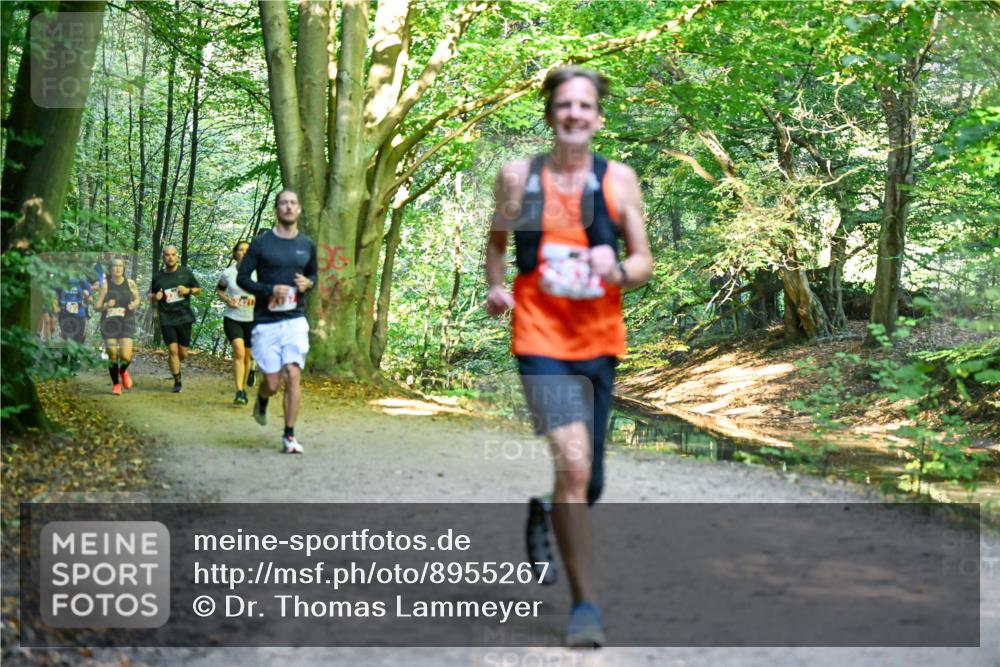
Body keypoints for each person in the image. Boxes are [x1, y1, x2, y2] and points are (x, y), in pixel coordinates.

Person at [485, 67, 652, 648]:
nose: (575, 113)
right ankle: (585, 605)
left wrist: (620, 272)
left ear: (598, 117)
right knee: (575, 465)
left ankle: (542, 510)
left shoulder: (619, 181)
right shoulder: (517, 178)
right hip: (539, 342)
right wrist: (494, 287)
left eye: (585, 105)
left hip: (598, 343)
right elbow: (497, 245)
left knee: (588, 480)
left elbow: (643, 262)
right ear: (551, 112)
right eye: (564, 104)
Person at [237, 190, 318, 454]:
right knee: (272, 383)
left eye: (293, 203)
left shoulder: (307, 245)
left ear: (299, 209)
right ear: (277, 209)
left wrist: (310, 283)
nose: (288, 207)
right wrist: (269, 290)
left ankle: (289, 436)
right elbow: (242, 279)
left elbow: (313, 274)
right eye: (283, 203)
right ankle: (261, 399)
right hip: (266, 322)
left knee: (293, 374)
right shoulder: (261, 243)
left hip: (295, 319)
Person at [148, 245, 201, 392]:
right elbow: (149, 295)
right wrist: (155, 297)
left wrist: (187, 290)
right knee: (172, 350)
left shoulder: (185, 273)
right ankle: (177, 380)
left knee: (182, 353)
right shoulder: (158, 277)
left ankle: (174, 362)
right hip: (166, 318)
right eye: (167, 255)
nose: (170, 257)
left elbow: (198, 290)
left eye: (173, 255)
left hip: (184, 317)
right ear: (163, 257)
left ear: (177, 256)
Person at [217, 240, 256, 405]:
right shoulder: (228, 273)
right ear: (235, 254)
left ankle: (244, 389)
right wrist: (227, 299)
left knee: (247, 357)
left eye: (247, 250)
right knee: (239, 353)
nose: (244, 253)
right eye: (241, 250)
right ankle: (239, 391)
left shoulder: (258, 272)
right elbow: (219, 290)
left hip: (253, 320)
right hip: (233, 318)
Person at [94, 257, 141, 395]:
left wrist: (135, 304)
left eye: (120, 266)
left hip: (126, 321)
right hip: (109, 323)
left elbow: (137, 298)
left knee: (126, 356)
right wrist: (105, 306)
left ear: (124, 268)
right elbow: (97, 306)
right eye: (114, 266)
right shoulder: (106, 285)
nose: (118, 268)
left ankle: (123, 371)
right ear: (110, 269)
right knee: (112, 354)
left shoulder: (130, 283)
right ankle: (116, 384)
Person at [54, 273, 91, 345]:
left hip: (80, 313)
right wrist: (56, 308)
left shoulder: (82, 277)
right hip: (64, 313)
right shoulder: (60, 275)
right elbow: (54, 294)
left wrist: (87, 296)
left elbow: (89, 299)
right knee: (68, 339)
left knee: (78, 341)